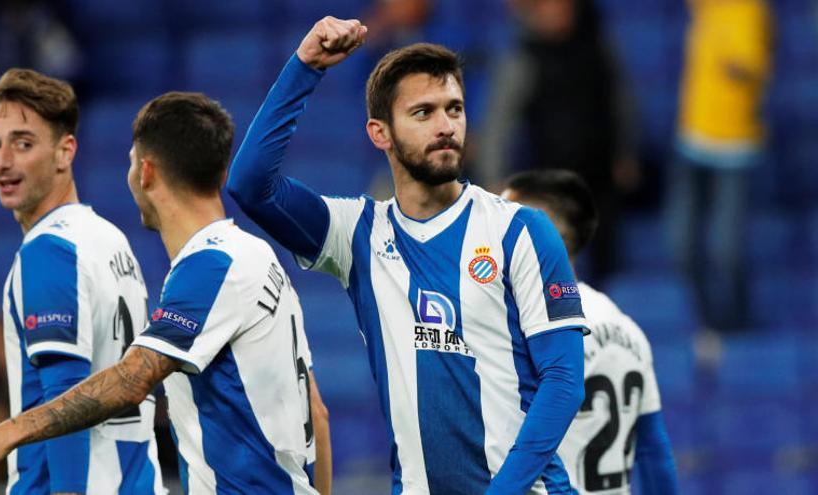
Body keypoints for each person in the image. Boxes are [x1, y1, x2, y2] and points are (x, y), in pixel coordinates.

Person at [227, 16, 587, 494]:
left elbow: (563, 380)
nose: (445, 126)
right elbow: (250, 185)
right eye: (423, 113)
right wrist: (305, 66)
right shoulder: (356, 233)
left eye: (454, 109)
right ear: (380, 133)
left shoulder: (519, 229)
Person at [0, 92, 330, 495]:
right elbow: (317, 413)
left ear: (146, 172)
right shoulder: (259, 256)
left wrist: (3, 435)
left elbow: (131, 380)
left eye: (128, 163)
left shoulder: (210, 268)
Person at [0, 68, 164, 494]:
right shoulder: (111, 240)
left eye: (23, 143)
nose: (2, 161)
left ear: (64, 151)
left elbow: (65, 395)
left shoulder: (48, 251)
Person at [502, 169, 679, 495]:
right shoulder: (628, 329)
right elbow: (654, 452)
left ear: (541, 234)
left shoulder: (531, 332)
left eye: (502, 221)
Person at [478, 0, 638, 281]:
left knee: (606, 264)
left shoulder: (598, 46)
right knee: (552, 269)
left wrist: (626, 153)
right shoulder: (524, 59)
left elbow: (621, 102)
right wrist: (494, 178)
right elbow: (498, 124)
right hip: (549, 179)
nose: (559, 12)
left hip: (600, 176)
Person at [667, 0, 772, 331]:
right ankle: (708, 323)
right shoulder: (704, 9)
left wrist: (736, 67)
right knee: (680, 245)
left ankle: (737, 325)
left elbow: (751, 67)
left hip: (734, 148)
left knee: (726, 250)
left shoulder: (750, 12)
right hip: (692, 142)